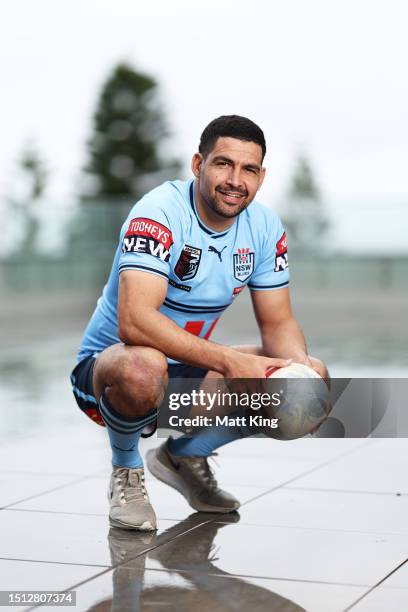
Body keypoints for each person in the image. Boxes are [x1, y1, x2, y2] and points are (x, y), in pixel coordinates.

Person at [70, 115, 328, 531]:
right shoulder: (159, 212)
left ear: (261, 177)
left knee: (310, 380)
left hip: (183, 378)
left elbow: (279, 322)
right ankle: (126, 470)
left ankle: (185, 454)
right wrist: (228, 362)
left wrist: (297, 371)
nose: (235, 180)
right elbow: (134, 324)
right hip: (108, 374)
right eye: (223, 164)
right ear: (198, 165)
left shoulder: (263, 226)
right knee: (143, 367)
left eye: (248, 169)